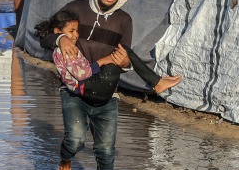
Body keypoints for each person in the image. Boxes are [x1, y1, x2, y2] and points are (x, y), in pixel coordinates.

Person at [40, 0, 176, 170]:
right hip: (75, 91)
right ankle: (65, 162)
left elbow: (123, 60)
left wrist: (125, 64)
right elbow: (43, 34)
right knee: (75, 140)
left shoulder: (124, 20)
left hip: (106, 92)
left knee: (105, 152)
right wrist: (60, 38)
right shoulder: (75, 9)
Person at [35, 9, 181, 107]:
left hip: (89, 86)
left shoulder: (68, 48)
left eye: (77, 31)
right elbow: (82, 74)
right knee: (116, 59)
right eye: (71, 31)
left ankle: (156, 81)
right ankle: (156, 82)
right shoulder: (65, 50)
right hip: (87, 88)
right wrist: (104, 61)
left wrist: (118, 61)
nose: (76, 35)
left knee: (122, 53)